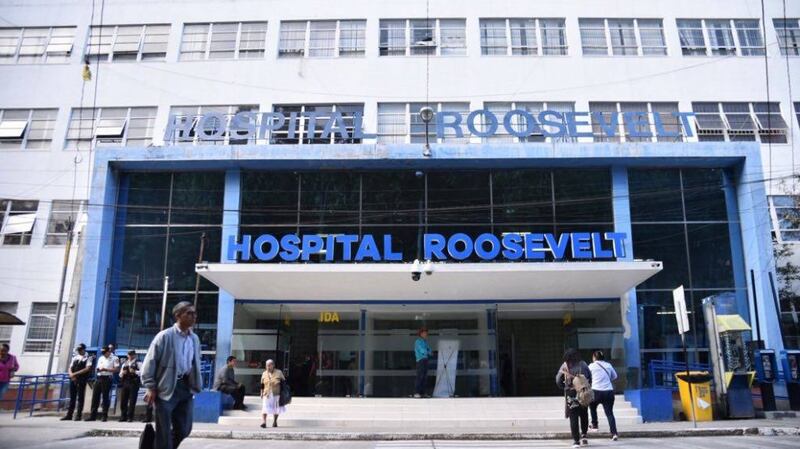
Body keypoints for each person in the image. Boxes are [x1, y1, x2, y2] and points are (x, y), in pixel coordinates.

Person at [142, 301, 202, 449]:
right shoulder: (165, 336)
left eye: (194, 313)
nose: (194, 316)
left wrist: (196, 382)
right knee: (163, 432)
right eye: (189, 313)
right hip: (166, 387)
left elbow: (195, 362)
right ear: (178, 315)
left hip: (186, 387)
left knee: (184, 429)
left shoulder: (194, 338)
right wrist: (150, 387)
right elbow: (150, 361)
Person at [556, 348, 592, 448]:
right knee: (584, 413)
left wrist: (564, 387)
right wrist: (586, 385)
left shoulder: (565, 365)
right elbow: (589, 376)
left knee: (573, 416)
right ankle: (584, 435)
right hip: (583, 392)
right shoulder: (583, 364)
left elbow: (558, 380)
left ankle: (576, 441)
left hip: (571, 393)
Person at [588, 350, 619, 440]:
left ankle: (594, 425)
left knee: (592, 407)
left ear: (594, 357)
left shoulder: (591, 366)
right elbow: (615, 376)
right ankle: (614, 433)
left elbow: (587, 377)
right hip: (608, 392)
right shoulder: (608, 365)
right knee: (609, 413)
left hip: (596, 391)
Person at [87, 345, 119, 421]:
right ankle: (93, 415)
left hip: (107, 378)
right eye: (103, 353)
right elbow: (97, 368)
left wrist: (106, 369)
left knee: (105, 397)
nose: (104, 354)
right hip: (99, 378)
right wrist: (99, 370)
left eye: (105, 352)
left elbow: (117, 369)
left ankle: (104, 415)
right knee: (95, 397)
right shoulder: (101, 358)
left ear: (109, 352)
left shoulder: (114, 358)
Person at [62, 343, 93, 421]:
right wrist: (71, 374)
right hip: (73, 379)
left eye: (80, 350)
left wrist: (75, 374)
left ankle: (78, 415)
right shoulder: (75, 357)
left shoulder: (88, 358)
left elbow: (87, 369)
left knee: (80, 398)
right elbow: (70, 367)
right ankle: (69, 415)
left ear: (84, 349)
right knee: (72, 398)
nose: (79, 351)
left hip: (81, 380)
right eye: (78, 350)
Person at [260, 359, 285, 428]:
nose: (268, 367)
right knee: (264, 407)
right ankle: (264, 422)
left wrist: (283, 392)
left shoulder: (279, 372)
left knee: (276, 408)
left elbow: (283, 382)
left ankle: (275, 421)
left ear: (273, 365)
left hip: (276, 393)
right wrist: (261, 392)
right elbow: (262, 384)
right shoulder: (264, 373)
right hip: (266, 393)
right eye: (266, 366)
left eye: (269, 365)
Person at [118, 350, 142, 422]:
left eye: (132, 355)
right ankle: (123, 416)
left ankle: (130, 417)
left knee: (132, 401)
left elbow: (142, 372)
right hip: (125, 382)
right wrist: (123, 373)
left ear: (134, 355)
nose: (130, 356)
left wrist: (135, 372)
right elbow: (120, 374)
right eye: (129, 355)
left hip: (133, 383)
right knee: (123, 400)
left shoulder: (138, 362)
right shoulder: (125, 363)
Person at [413, 327, 432, 398]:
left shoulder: (425, 342)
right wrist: (427, 351)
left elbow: (430, 350)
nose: (425, 334)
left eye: (426, 333)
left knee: (424, 377)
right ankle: (416, 392)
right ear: (420, 334)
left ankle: (423, 392)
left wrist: (428, 351)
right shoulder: (418, 341)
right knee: (420, 376)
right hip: (420, 360)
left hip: (425, 360)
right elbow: (422, 350)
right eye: (424, 333)